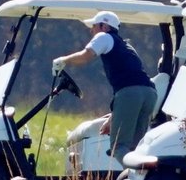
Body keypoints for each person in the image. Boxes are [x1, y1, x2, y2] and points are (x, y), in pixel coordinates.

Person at [51, 11, 157, 163]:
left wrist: (63, 60)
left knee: (119, 147)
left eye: (94, 26)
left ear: (104, 26)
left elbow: (85, 56)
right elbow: (135, 81)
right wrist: (114, 117)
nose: (91, 30)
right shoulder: (126, 46)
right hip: (149, 94)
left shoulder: (104, 37)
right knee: (136, 148)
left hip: (130, 94)